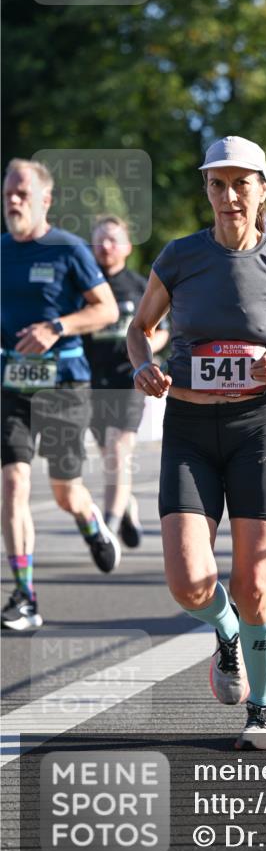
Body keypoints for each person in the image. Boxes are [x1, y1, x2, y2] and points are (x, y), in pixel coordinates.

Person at [126, 136, 266, 750]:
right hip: (188, 427)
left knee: (255, 585)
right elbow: (141, 329)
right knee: (189, 582)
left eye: (241, 183)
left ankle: (265, 707)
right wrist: (143, 366)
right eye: (217, 184)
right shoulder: (180, 256)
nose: (228, 196)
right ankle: (226, 633)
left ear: (263, 188)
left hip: (257, 430)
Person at [1, 159, 121, 631]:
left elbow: (106, 309)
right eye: (8, 193)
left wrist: (58, 327)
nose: (12, 201)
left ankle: (90, 518)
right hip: (11, 383)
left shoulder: (68, 249)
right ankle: (25, 596)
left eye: (21, 194)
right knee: (13, 485)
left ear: (44, 200)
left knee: (65, 490)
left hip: (65, 382)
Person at [84, 216, 170, 545]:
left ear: (127, 246)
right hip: (92, 381)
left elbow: (163, 332)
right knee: (110, 457)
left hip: (130, 379)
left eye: (112, 239)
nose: (105, 246)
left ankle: (107, 526)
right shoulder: (83, 288)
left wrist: (145, 354)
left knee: (120, 451)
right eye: (99, 239)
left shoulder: (140, 286)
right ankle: (126, 504)